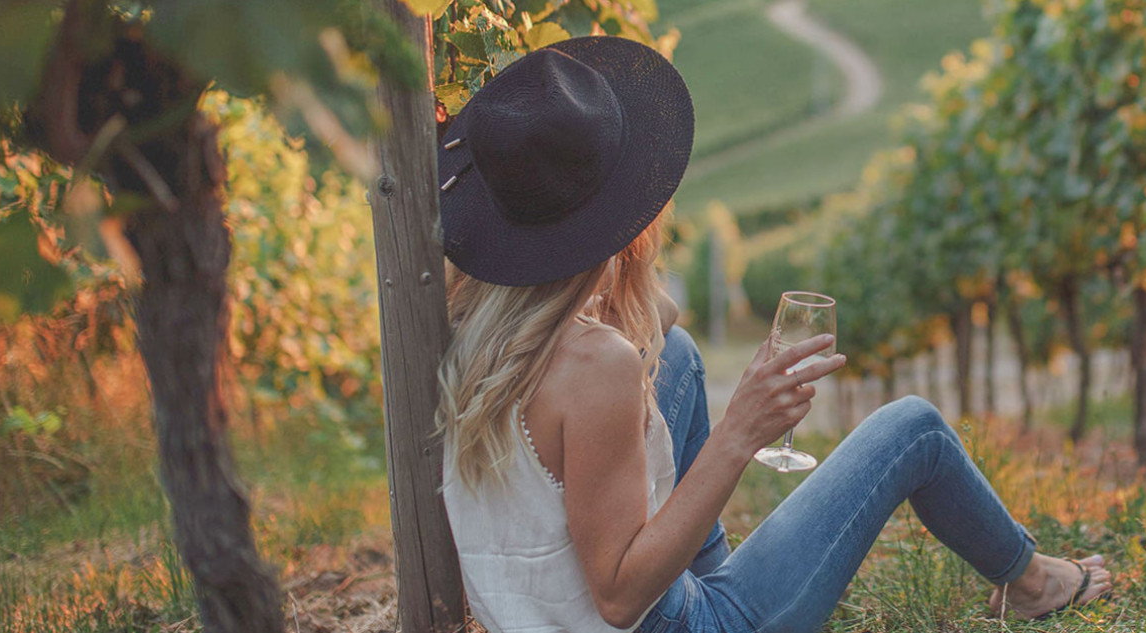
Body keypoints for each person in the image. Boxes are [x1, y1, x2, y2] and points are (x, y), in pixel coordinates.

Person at [434, 36, 1110, 633]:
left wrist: (625, 271)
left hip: (529, 616)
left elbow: (637, 340)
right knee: (915, 428)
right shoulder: (597, 365)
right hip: (676, 623)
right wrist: (740, 432)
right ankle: (1033, 583)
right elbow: (617, 597)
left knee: (677, 354)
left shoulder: (477, 322)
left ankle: (720, 567)